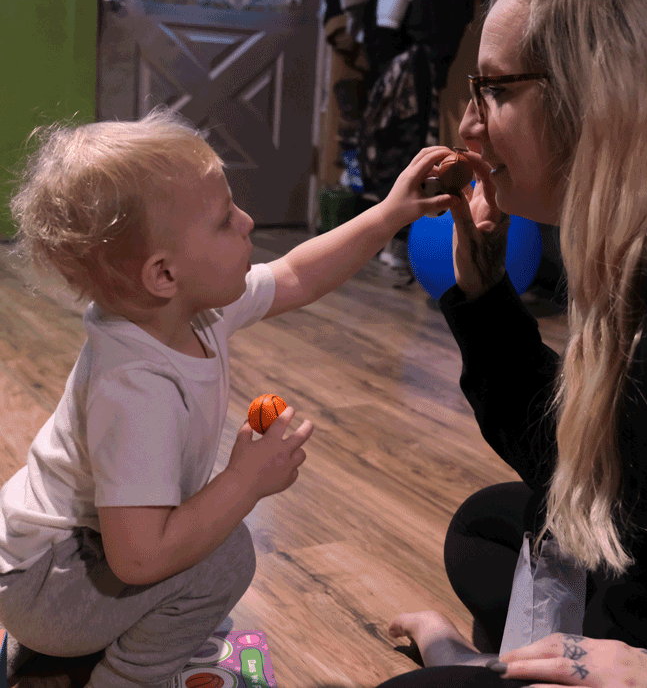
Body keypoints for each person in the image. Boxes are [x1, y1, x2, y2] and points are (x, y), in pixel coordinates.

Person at [376, 0, 647, 688]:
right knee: (487, 530)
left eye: (495, 89)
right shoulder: (646, 231)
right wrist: (484, 296)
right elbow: (595, 463)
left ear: (594, 94)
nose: (470, 127)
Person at [0, 107, 462, 688]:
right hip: (48, 588)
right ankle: (123, 678)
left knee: (203, 547)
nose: (246, 222)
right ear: (163, 274)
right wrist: (244, 481)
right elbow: (139, 560)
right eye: (223, 221)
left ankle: (67, 656)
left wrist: (388, 215)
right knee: (224, 557)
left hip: (57, 563)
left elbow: (296, 273)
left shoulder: (189, 309)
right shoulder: (136, 387)